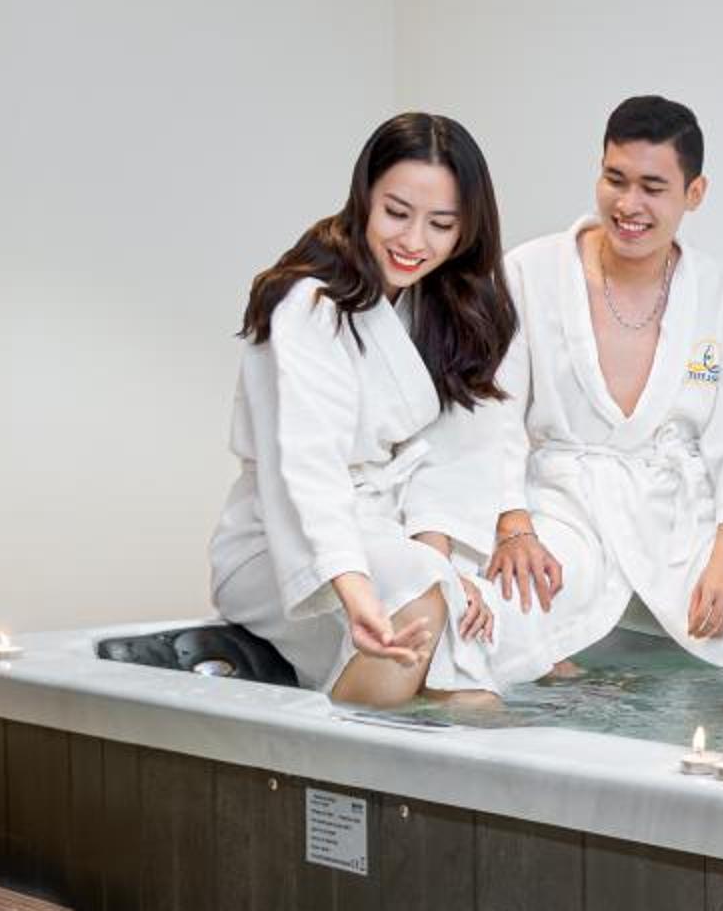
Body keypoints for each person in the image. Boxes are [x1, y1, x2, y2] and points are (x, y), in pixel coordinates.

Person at [475, 95, 723, 677]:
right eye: (615, 179)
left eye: (652, 187)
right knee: (487, 629)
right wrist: (512, 525)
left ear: (694, 193)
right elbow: (493, 412)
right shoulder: (528, 273)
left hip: (678, 527)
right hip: (560, 516)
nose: (628, 205)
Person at [209, 112, 516, 708]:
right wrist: (355, 590)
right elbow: (308, 468)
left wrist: (444, 569)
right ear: (364, 197)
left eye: (441, 224)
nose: (414, 242)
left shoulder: (445, 308)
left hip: (386, 537)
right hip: (281, 541)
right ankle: (328, 757)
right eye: (396, 213)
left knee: (471, 689)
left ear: (467, 228)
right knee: (421, 601)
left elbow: (453, 463)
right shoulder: (309, 304)